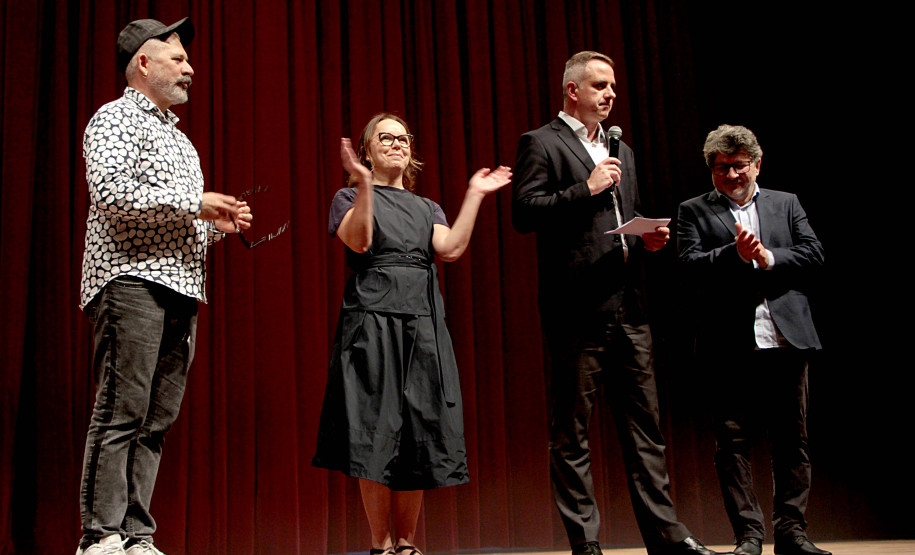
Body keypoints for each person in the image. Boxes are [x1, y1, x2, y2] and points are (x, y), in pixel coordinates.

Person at [512, 51, 723, 555]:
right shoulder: (541, 143)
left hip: (629, 306)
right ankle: (586, 543)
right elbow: (524, 212)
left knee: (645, 429)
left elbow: (614, 215)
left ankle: (667, 537)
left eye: (613, 88)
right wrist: (583, 188)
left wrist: (644, 234)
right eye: (601, 86)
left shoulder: (618, 147)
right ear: (573, 90)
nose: (610, 95)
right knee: (573, 435)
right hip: (575, 309)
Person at [77, 17, 252, 555]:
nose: (189, 68)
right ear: (142, 63)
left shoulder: (182, 141)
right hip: (129, 281)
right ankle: (100, 535)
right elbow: (112, 195)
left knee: (156, 420)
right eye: (176, 58)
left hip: (180, 286)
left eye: (188, 60)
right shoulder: (113, 120)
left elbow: (174, 220)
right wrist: (196, 204)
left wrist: (212, 228)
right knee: (121, 409)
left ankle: (135, 535)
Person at [312, 113, 511, 555]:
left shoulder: (428, 208)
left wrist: (475, 195)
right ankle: (379, 544)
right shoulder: (347, 196)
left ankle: (406, 544)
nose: (398, 144)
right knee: (374, 431)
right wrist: (364, 186)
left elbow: (451, 249)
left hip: (422, 324)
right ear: (367, 150)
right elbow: (360, 241)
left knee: (419, 431)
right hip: (372, 323)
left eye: (404, 138)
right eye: (386, 138)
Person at [676, 125, 828, 555]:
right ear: (710, 170)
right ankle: (749, 536)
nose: (731, 175)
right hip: (728, 344)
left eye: (739, 166)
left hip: (786, 339)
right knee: (733, 444)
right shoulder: (694, 210)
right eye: (721, 168)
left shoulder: (786, 203)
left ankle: (791, 532)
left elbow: (814, 254)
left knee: (792, 441)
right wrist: (735, 256)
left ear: (757, 164)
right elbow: (688, 265)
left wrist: (769, 257)